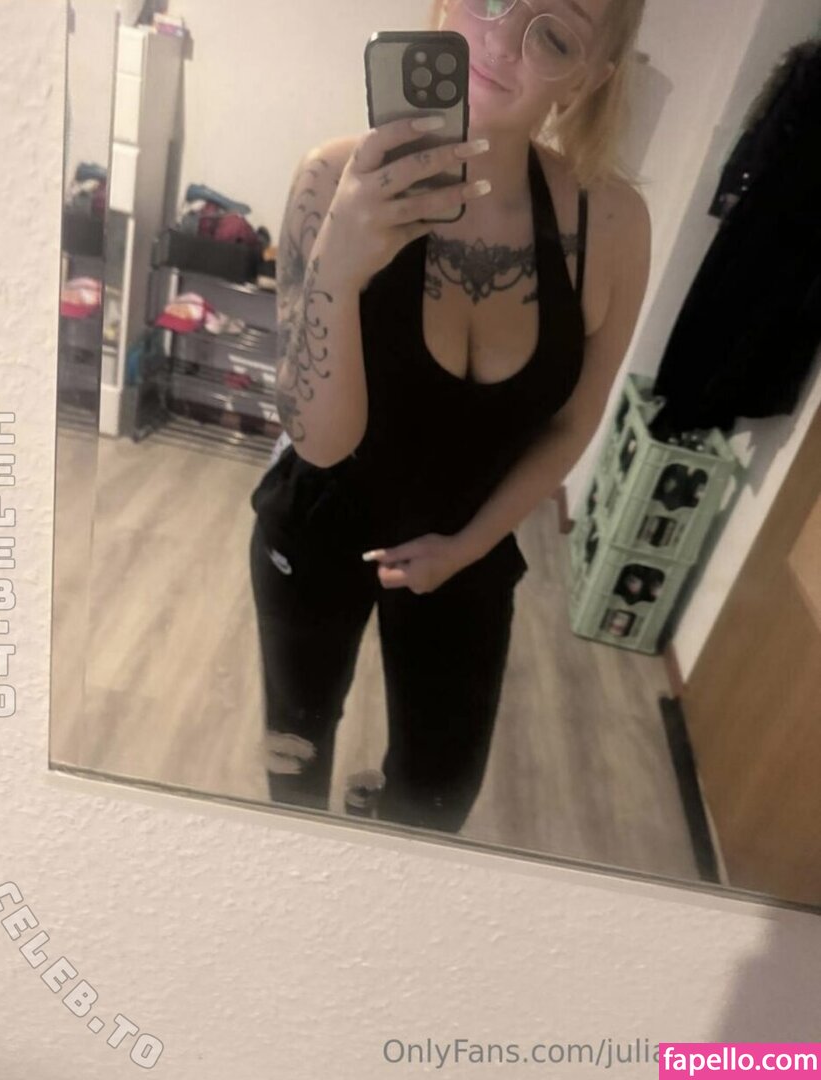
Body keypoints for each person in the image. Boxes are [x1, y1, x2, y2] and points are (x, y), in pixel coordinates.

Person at [248, 0, 651, 834]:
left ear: (586, 79)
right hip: (317, 523)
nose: (501, 39)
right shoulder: (333, 179)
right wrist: (340, 268)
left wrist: (466, 548)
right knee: (295, 757)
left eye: (554, 32)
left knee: (436, 799)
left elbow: (573, 423)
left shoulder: (610, 225)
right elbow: (321, 443)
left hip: (473, 541)